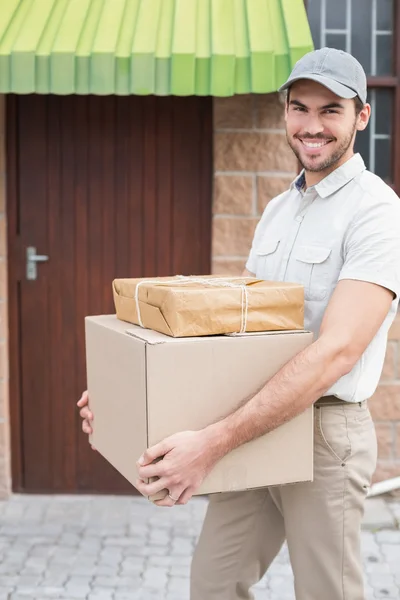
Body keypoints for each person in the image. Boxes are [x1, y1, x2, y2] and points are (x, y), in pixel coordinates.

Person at [77, 48, 400, 600]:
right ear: (285, 114)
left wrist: (211, 443)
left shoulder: (376, 212)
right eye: (300, 108)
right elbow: (231, 335)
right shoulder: (279, 210)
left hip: (324, 434)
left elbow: (337, 352)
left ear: (361, 117)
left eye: (331, 111)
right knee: (214, 584)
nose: (312, 126)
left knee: (328, 593)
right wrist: (125, 395)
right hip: (255, 420)